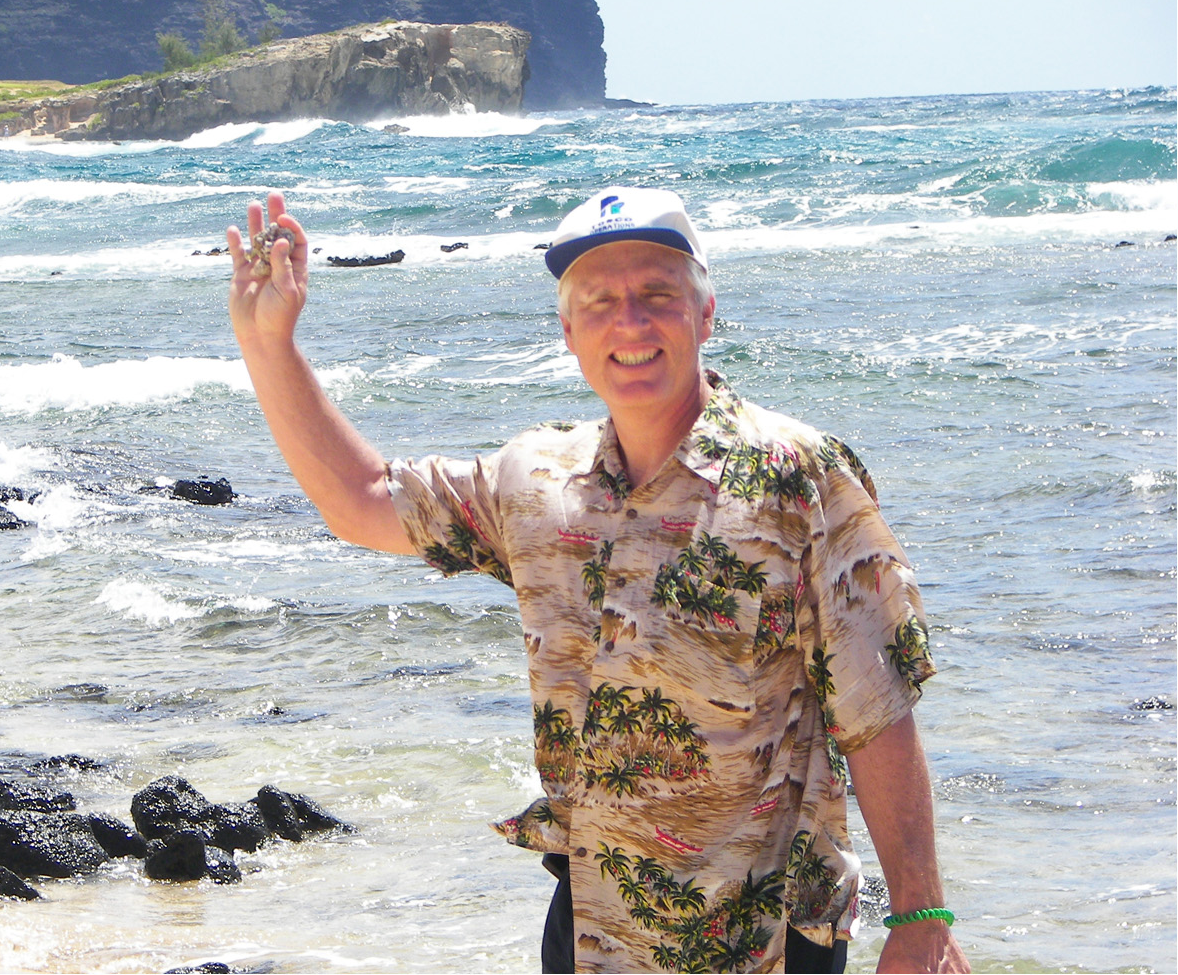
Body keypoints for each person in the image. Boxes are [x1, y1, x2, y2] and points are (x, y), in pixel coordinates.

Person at [226, 188, 969, 975]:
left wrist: (920, 914)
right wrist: (269, 343)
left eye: (658, 294)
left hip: (766, 936)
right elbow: (364, 499)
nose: (632, 322)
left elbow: (877, 704)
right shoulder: (536, 481)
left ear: (706, 312)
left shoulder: (798, 477)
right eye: (601, 302)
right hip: (588, 928)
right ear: (569, 331)